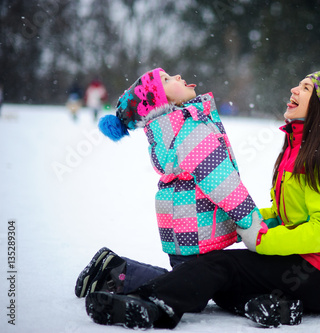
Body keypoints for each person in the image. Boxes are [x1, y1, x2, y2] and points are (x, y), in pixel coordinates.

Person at [84, 71, 320, 329]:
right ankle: (272, 307)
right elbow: (289, 214)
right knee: (216, 279)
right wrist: (257, 220)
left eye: (305, 88)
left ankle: (152, 305)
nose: (294, 88)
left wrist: (264, 240)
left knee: (220, 267)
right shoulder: (300, 146)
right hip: (309, 265)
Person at [75, 68, 262, 299]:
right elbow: (221, 180)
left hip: (187, 229)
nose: (178, 77)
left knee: (189, 281)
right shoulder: (188, 128)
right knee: (193, 288)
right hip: (196, 231)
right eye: (166, 80)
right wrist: (252, 221)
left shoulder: (169, 129)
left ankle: (114, 270)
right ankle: (116, 274)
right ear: (158, 103)